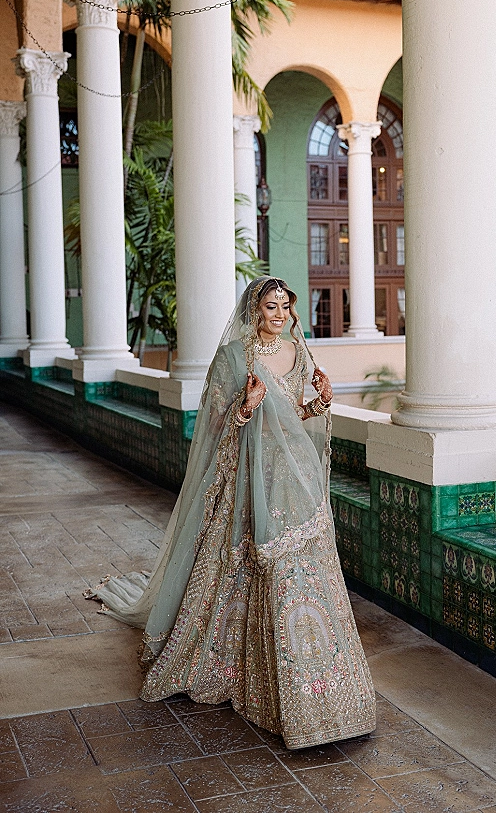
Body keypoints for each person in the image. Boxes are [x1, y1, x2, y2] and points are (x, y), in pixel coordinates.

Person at [84, 276, 376, 749]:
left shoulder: (300, 354)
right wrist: (245, 406)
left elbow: (296, 417)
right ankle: (247, 674)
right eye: (270, 307)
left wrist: (320, 402)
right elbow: (216, 426)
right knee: (248, 564)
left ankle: (325, 692)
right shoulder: (233, 358)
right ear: (253, 310)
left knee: (304, 573)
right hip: (246, 480)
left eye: (285, 307)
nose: (279, 315)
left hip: (293, 482)